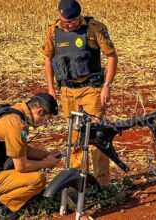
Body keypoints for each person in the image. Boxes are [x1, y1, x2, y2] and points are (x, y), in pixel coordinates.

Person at [42, 0, 118, 185]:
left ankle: (103, 184)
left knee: (96, 134)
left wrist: (107, 85)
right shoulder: (53, 31)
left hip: (91, 89)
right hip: (67, 91)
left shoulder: (94, 28)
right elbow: (47, 58)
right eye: (66, 22)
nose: (70, 25)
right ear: (60, 17)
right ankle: (77, 181)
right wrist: (51, 89)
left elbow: (111, 56)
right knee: (75, 136)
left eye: (74, 21)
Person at [0, 93, 60, 220]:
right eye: (47, 119)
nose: (45, 123)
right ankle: (0, 203)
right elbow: (22, 166)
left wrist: (46, 155)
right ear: (40, 112)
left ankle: (13, 196)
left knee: (35, 166)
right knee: (38, 179)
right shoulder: (18, 126)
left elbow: (22, 149)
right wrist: (47, 163)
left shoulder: (14, 113)